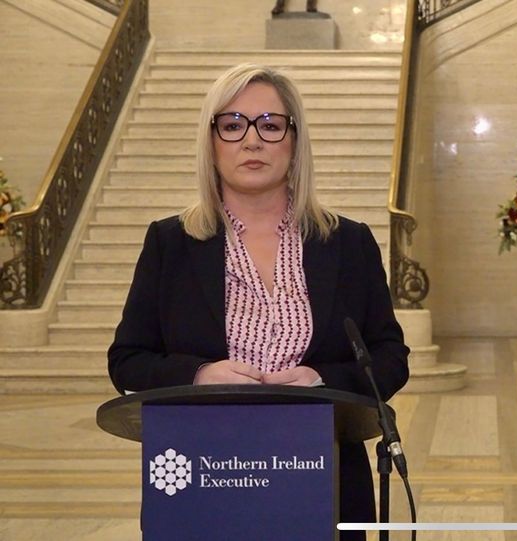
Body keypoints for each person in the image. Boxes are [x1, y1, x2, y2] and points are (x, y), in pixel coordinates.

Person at [107, 63, 409, 538]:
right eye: (232, 126)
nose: (252, 141)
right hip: (201, 477)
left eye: (270, 125)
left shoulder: (348, 243)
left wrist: (322, 380)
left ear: (295, 140)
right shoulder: (171, 242)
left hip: (324, 479)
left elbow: (390, 359)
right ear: (211, 143)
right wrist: (199, 375)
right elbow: (127, 360)